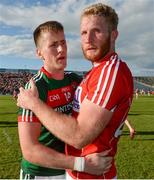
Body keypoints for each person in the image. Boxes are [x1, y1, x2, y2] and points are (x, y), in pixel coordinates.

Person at [17, 3, 134, 179]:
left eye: (63, 42)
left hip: (69, 169)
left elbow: (104, 107)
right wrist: (79, 163)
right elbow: (30, 150)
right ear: (39, 53)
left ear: (113, 35)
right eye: (53, 45)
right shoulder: (33, 89)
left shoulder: (75, 80)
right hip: (41, 173)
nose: (61, 49)